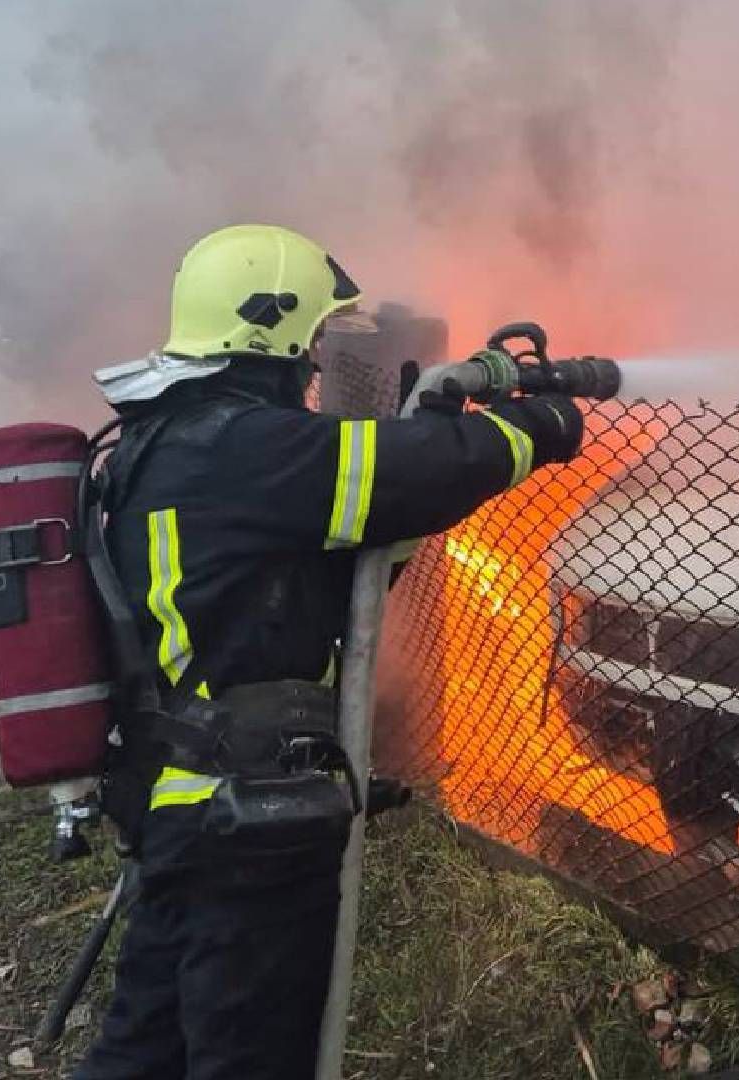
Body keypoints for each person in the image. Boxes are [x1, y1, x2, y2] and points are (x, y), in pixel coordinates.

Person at [75, 224, 584, 1079]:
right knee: (250, 1046)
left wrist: (435, 424)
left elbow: (350, 553)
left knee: (149, 1037)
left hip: (182, 796)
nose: (314, 364)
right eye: (309, 337)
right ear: (265, 329)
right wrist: (535, 427)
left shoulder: (169, 440)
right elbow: (402, 475)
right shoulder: (241, 448)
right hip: (242, 818)